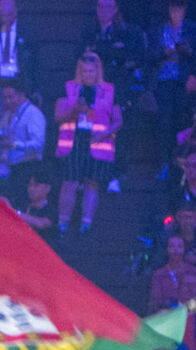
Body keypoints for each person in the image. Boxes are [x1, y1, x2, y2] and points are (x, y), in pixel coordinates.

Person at [54, 53, 121, 237]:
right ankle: (63, 223)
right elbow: (57, 116)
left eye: (91, 71)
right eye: (84, 71)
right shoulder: (68, 87)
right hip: (73, 141)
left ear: (98, 71)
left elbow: (117, 120)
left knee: (93, 183)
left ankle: (86, 224)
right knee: (70, 182)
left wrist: (105, 133)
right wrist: (74, 110)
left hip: (98, 142)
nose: (88, 75)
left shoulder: (109, 90)